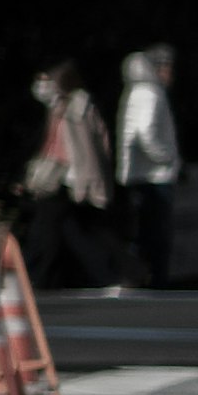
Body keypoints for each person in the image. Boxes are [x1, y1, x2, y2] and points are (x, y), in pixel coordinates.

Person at [18, 61, 119, 293]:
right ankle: (105, 274)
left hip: (65, 179)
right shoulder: (62, 108)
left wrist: (87, 180)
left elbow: (79, 149)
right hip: (59, 179)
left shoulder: (75, 109)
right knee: (70, 232)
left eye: (48, 82)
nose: (43, 87)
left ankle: (35, 276)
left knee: (46, 230)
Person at [120, 47, 182, 287]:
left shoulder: (136, 91)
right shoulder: (150, 93)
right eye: (165, 67)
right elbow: (144, 132)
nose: (169, 73)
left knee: (145, 231)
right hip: (155, 176)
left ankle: (143, 277)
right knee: (157, 233)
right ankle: (156, 280)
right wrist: (165, 156)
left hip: (142, 174)